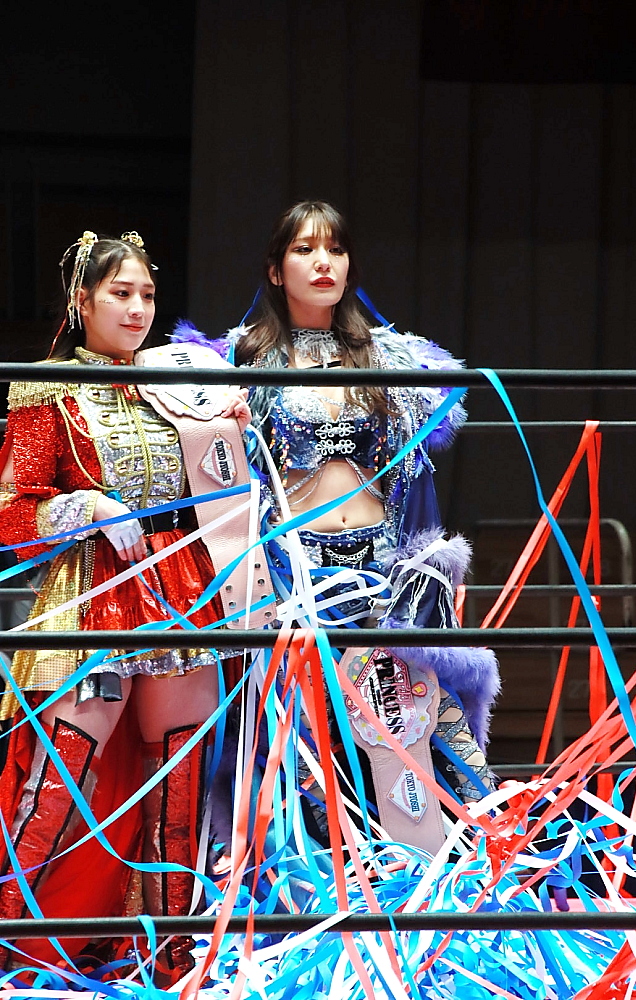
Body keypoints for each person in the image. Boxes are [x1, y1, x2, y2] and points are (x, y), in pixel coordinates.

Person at [174, 200, 500, 853]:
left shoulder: (392, 358)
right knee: (301, 743)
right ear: (275, 269)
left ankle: (464, 866)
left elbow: (421, 462)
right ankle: (323, 883)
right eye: (304, 249)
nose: (322, 262)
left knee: (425, 724)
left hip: (385, 572)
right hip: (295, 575)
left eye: (335, 249)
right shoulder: (236, 360)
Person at [0, 231, 253, 976]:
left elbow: (225, 490)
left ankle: (169, 959)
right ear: (82, 301)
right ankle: (12, 945)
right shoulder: (46, 389)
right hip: (93, 594)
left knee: (179, 782)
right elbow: (10, 515)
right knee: (60, 782)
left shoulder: (178, 385)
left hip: (184, 591)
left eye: (147, 294)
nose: (138, 308)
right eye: (120, 293)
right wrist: (88, 507)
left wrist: (229, 433)